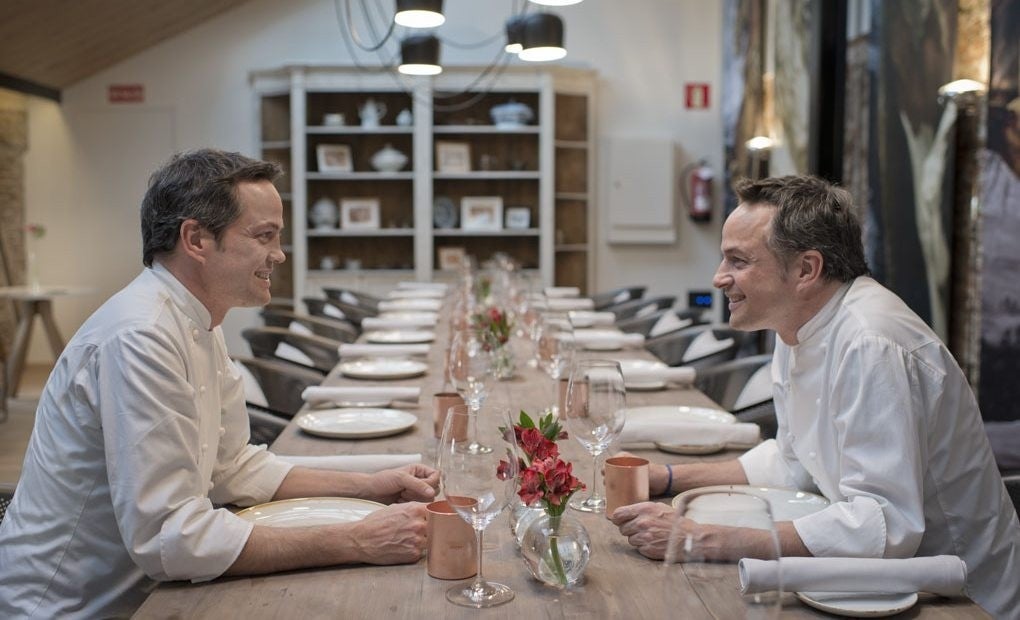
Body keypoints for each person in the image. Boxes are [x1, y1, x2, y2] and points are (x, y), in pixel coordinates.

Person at [0, 149, 438, 618]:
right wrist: (356, 539)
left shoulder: (196, 320)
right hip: (74, 607)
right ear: (196, 239)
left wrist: (369, 486)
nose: (279, 253)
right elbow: (172, 538)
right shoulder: (140, 337)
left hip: (146, 593)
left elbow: (234, 470)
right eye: (264, 236)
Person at [610, 175, 1020, 618]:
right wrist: (667, 477)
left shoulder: (870, 342)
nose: (718, 277)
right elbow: (794, 462)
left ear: (806, 269)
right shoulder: (798, 325)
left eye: (738, 260)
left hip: (960, 597)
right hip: (871, 581)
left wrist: (700, 537)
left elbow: (884, 525)